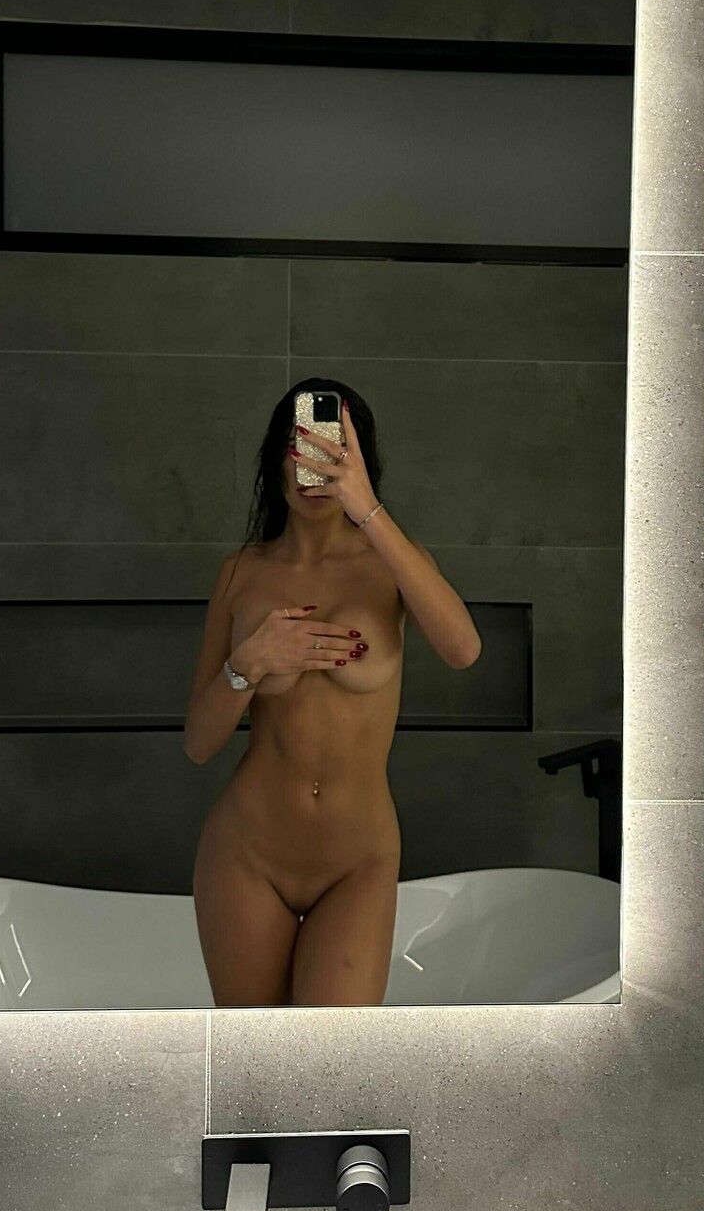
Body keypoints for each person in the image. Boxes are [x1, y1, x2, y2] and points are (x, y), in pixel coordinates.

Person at [184, 379, 481, 1006]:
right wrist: (249, 663)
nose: (312, 466)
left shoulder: (393, 565)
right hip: (246, 853)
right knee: (252, 1055)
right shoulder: (242, 573)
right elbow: (199, 743)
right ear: (277, 459)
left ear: (358, 461)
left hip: (357, 861)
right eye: (300, 447)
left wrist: (367, 509)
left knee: (330, 1058)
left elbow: (463, 649)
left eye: (331, 450)